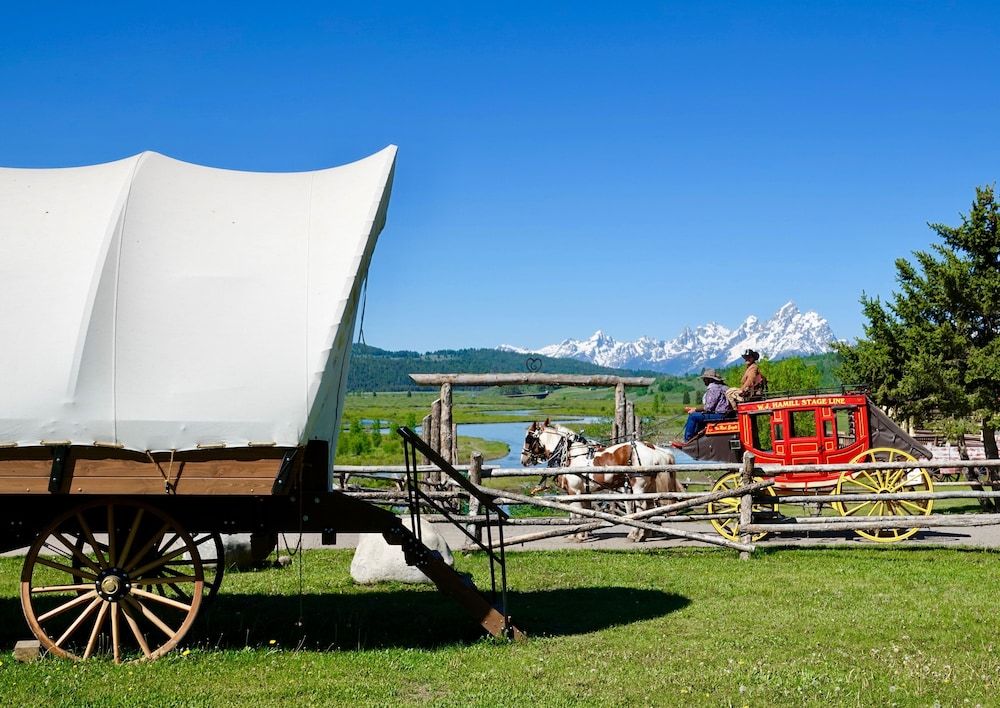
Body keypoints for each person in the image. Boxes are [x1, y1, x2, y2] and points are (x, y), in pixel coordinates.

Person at [679, 368, 733, 442]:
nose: (704, 380)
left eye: (705, 379)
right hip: (725, 414)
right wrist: (695, 409)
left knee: (693, 416)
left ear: (709, 379)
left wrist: (695, 409)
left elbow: (708, 407)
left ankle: (687, 440)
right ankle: (697, 437)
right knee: (698, 415)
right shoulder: (723, 387)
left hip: (720, 414)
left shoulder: (713, 388)